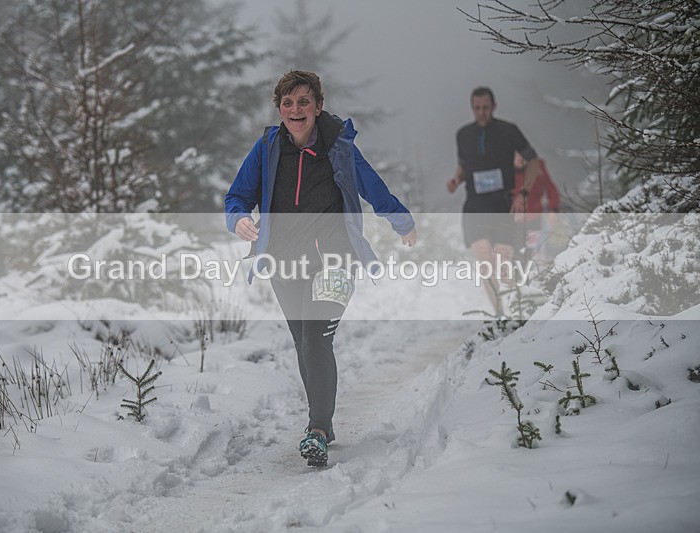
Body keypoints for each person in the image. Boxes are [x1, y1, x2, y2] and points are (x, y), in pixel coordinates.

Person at [225, 70, 416, 467]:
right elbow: (237, 195)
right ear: (280, 108)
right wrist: (238, 218)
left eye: (304, 102)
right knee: (303, 342)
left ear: (318, 106)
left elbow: (372, 186)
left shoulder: (339, 147)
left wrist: (402, 221)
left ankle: (316, 429)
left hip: (335, 261)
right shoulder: (268, 147)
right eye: (288, 103)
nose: (296, 110)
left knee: (315, 338)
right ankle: (323, 425)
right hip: (283, 262)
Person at [446, 86, 541, 316]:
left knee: (503, 258)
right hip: (475, 204)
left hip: (502, 203)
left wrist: (523, 194)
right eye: (477, 108)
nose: (481, 112)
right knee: (483, 258)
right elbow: (463, 165)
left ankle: (519, 308)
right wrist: (456, 179)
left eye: (486, 108)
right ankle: (499, 314)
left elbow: (533, 161)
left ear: (494, 106)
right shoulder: (463, 134)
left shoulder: (508, 130)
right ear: (472, 108)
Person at [512, 152, 561, 261]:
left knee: (532, 253)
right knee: (512, 254)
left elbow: (551, 190)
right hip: (510, 222)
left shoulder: (537, 167)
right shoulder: (502, 168)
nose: (520, 158)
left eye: (522, 154)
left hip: (534, 219)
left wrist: (553, 210)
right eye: (516, 155)